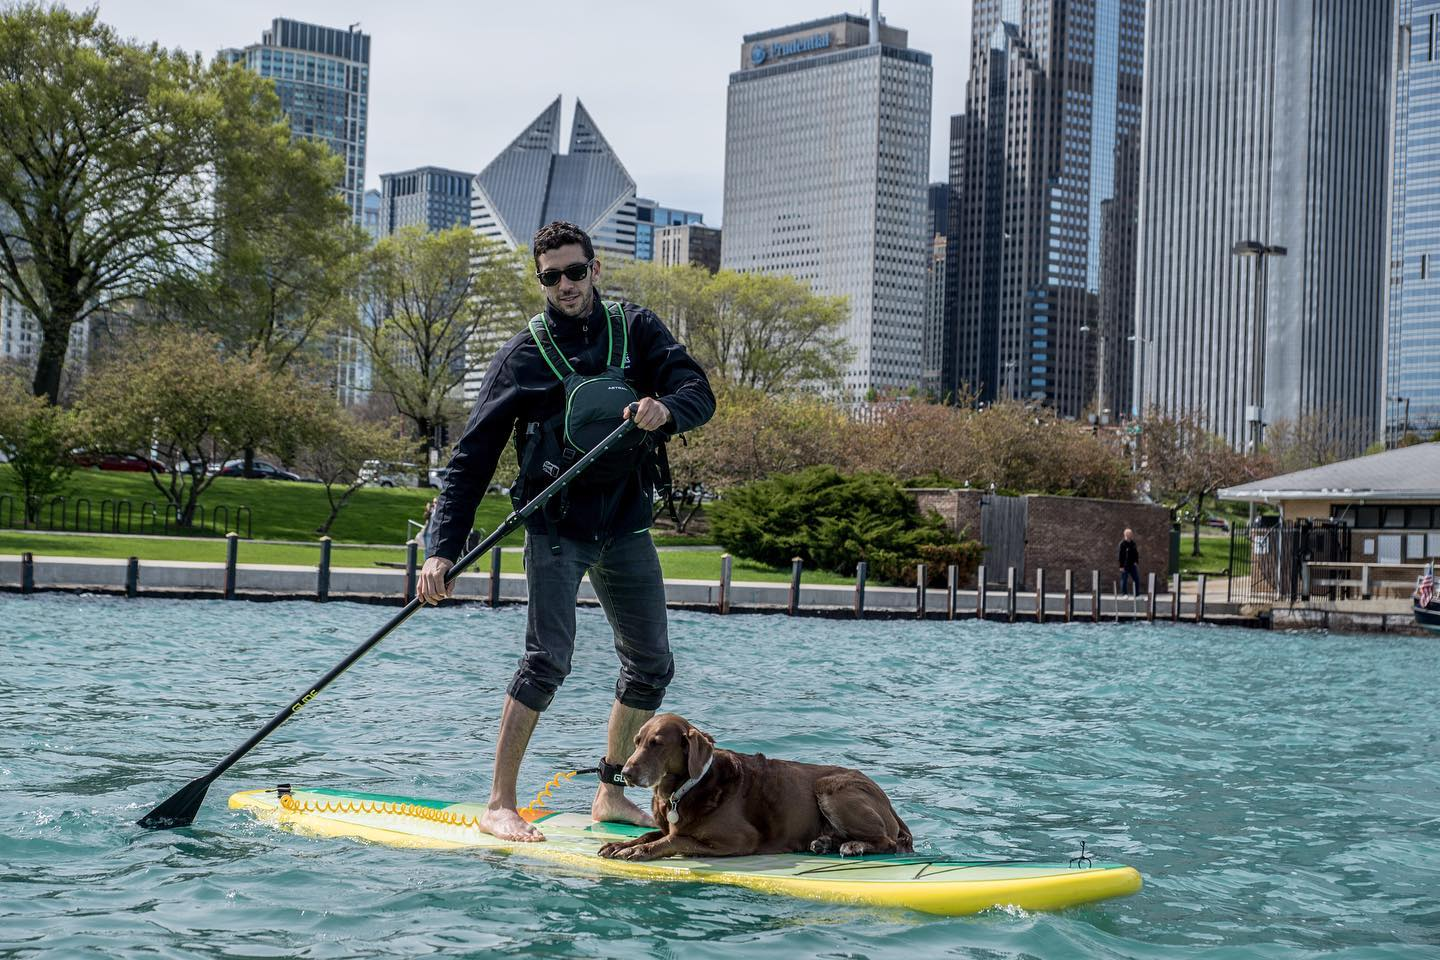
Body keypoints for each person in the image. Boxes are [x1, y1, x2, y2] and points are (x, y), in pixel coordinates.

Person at [415, 220, 715, 843]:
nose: (565, 285)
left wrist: (667, 410)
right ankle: (500, 802)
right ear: (541, 280)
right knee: (547, 660)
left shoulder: (636, 330)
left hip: (626, 524)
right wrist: (442, 549)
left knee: (652, 665)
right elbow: (471, 458)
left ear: (595, 269)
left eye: (575, 272)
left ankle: (609, 792)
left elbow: (698, 391)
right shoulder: (523, 356)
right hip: (554, 527)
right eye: (551, 277)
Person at [1118, 528, 1140, 596]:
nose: (1130, 535)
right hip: (1125, 565)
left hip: (1132, 564)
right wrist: (1121, 566)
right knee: (1124, 579)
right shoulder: (1122, 544)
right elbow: (1120, 555)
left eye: (1131, 534)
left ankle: (1137, 593)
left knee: (1136, 579)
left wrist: (1136, 561)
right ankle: (1124, 593)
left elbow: (1136, 553)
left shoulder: (1133, 543)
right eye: (1129, 534)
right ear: (1125, 535)